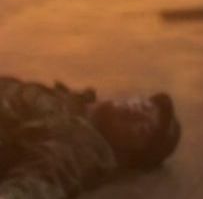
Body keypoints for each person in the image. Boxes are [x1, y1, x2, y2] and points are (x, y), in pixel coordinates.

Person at [0, 77, 181, 199]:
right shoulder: (76, 102)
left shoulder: (80, 144)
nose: (137, 113)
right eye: (146, 106)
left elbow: (38, 182)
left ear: (130, 153)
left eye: (143, 129)